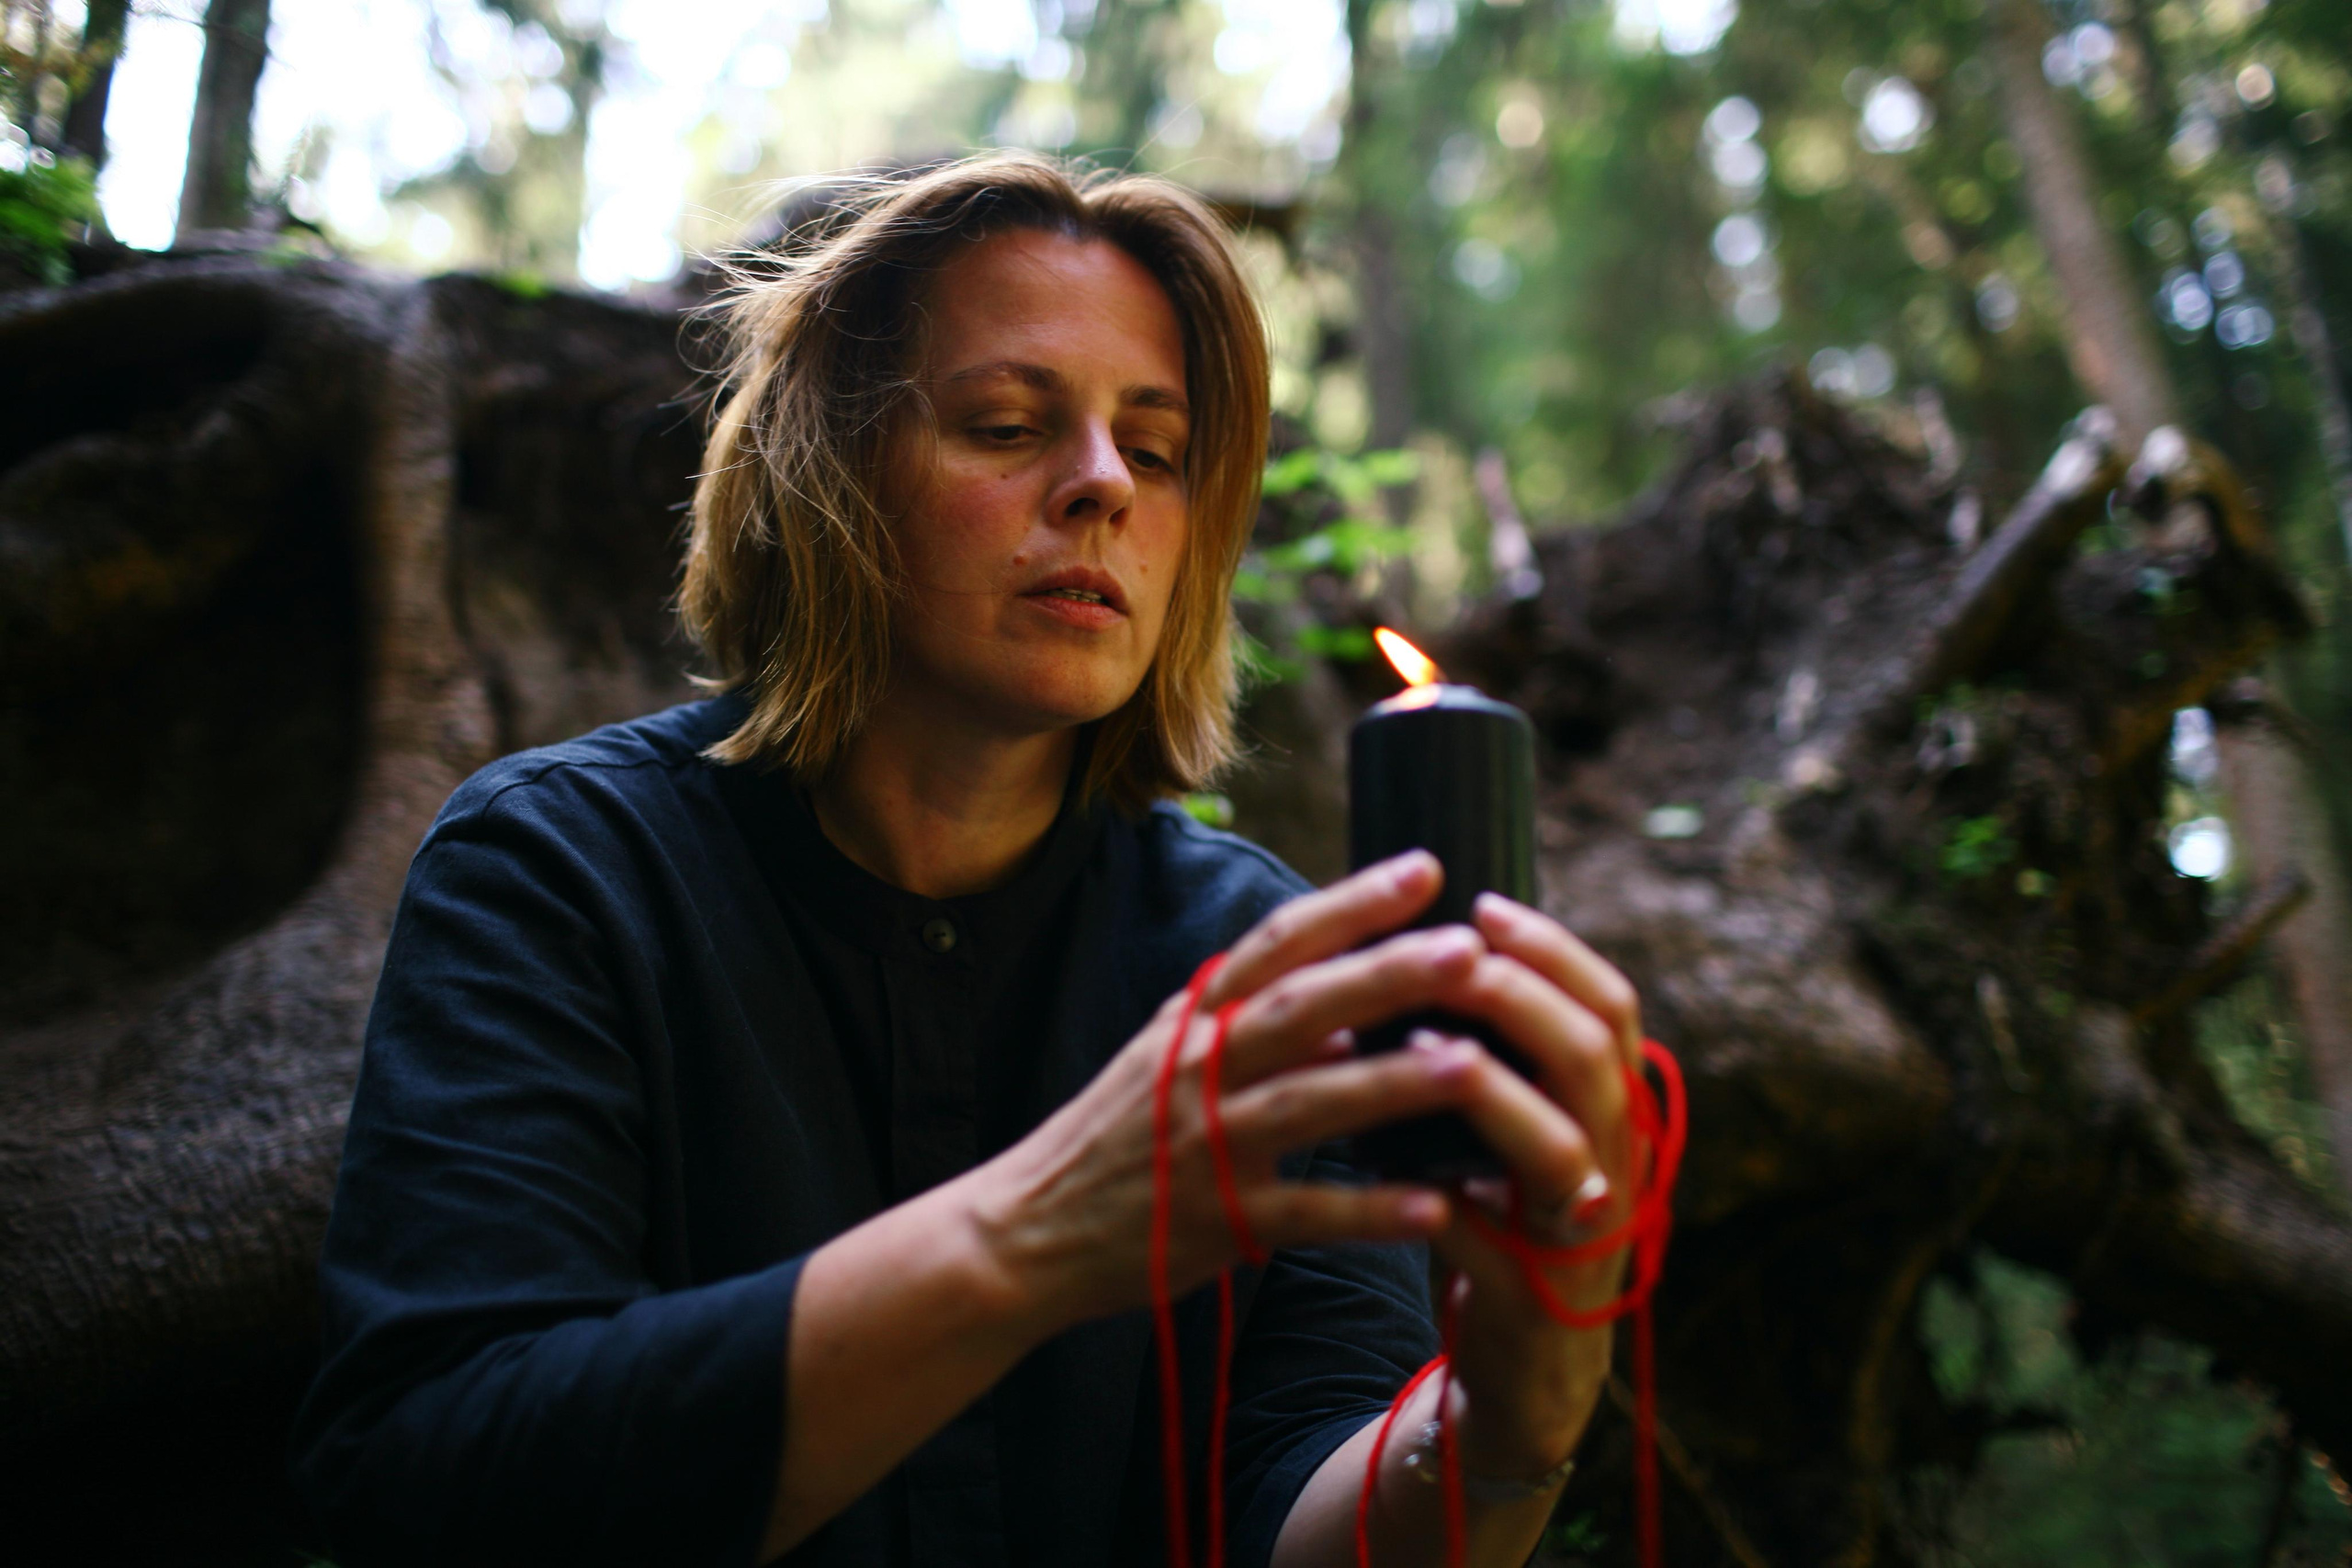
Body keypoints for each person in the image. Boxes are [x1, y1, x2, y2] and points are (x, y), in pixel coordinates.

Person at [291, 152, 1646, 1568]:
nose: (1104, 487)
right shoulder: (562, 873)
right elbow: (431, 1475)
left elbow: (1296, 1511)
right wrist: (1042, 1232)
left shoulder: (1265, 962)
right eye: (1008, 424)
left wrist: (1501, 1424)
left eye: (1160, 449)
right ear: (827, 474)